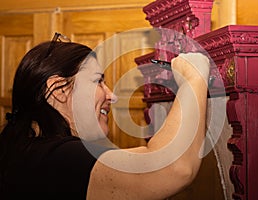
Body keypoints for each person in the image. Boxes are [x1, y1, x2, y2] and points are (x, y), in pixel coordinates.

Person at [0, 32, 210, 199]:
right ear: (59, 89)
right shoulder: (57, 158)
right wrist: (194, 78)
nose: (112, 95)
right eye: (98, 81)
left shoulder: (23, 150)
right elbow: (173, 168)